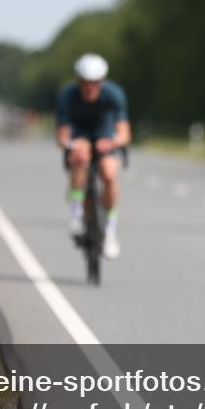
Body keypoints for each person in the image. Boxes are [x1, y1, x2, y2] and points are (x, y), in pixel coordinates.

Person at [55, 53, 131, 259]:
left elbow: (124, 133)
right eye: (85, 83)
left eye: (95, 83)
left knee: (108, 173)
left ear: (102, 82)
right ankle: (76, 214)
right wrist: (73, 144)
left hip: (105, 135)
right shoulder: (67, 96)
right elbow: (61, 136)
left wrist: (112, 142)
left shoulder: (114, 95)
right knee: (80, 157)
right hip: (80, 135)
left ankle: (110, 229)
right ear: (78, 82)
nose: (90, 88)